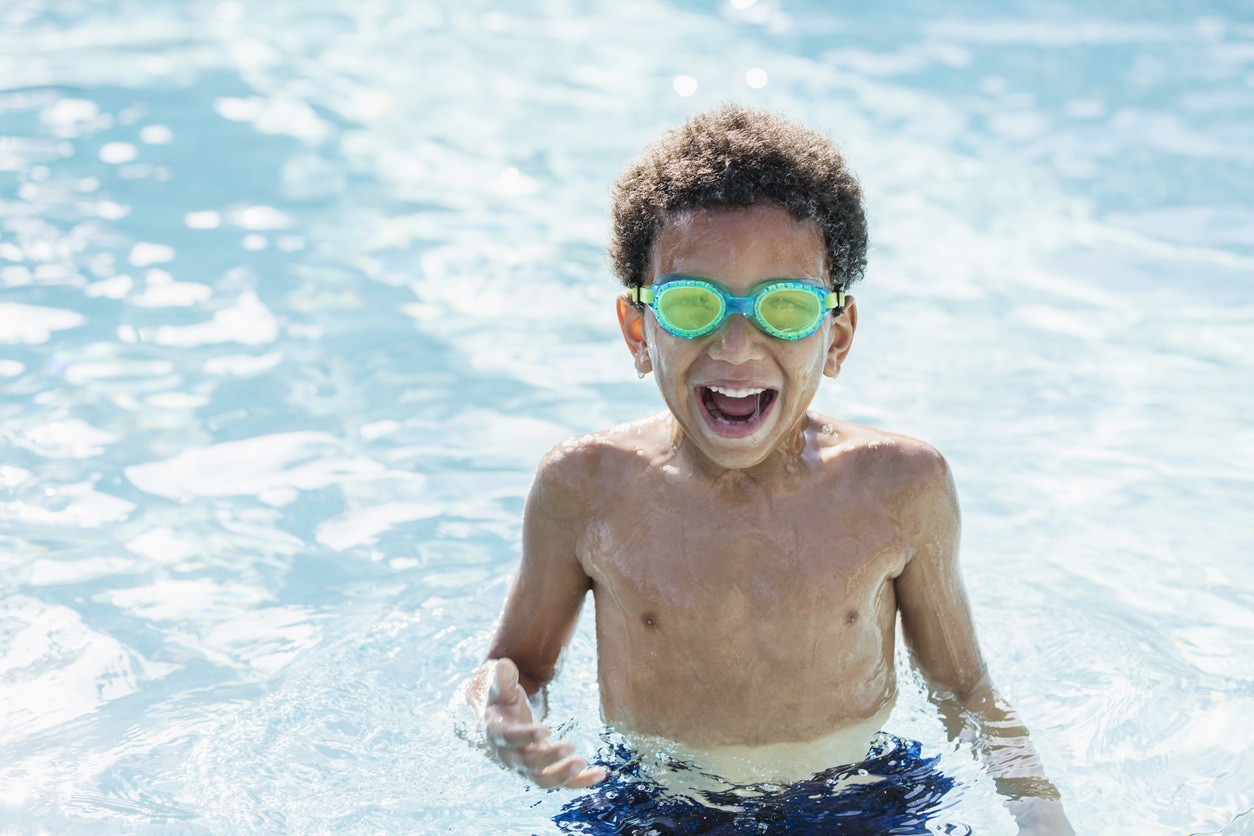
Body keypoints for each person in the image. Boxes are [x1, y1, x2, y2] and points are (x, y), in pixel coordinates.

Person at [462, 105, 1074, 834]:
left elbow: (966, 690)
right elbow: (518, 667)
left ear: (836, 337)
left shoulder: (900, 487)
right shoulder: (585, 488)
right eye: (692, 305)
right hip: (658, 803)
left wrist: (1042, 815)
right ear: (638, 331)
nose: (736, 345)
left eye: (784, 308)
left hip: (860, 796)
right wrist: (496, 709)